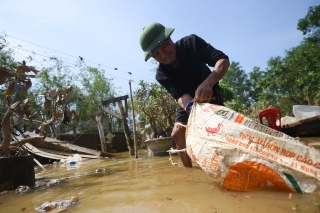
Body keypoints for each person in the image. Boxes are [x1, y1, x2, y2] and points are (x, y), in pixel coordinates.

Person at [139, 22, 230, 167]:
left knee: (219, 131)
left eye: (164, 46)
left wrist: (208, 83)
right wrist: (193, 110)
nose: (163, 54)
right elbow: (181, 96)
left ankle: (226, 164)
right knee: (177, 133)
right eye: (156, 53)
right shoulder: (161, 75)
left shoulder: (192, 43)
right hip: (189, 102)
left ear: (170, 38)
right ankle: (189, 173)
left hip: (210, 93)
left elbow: (223, 61)